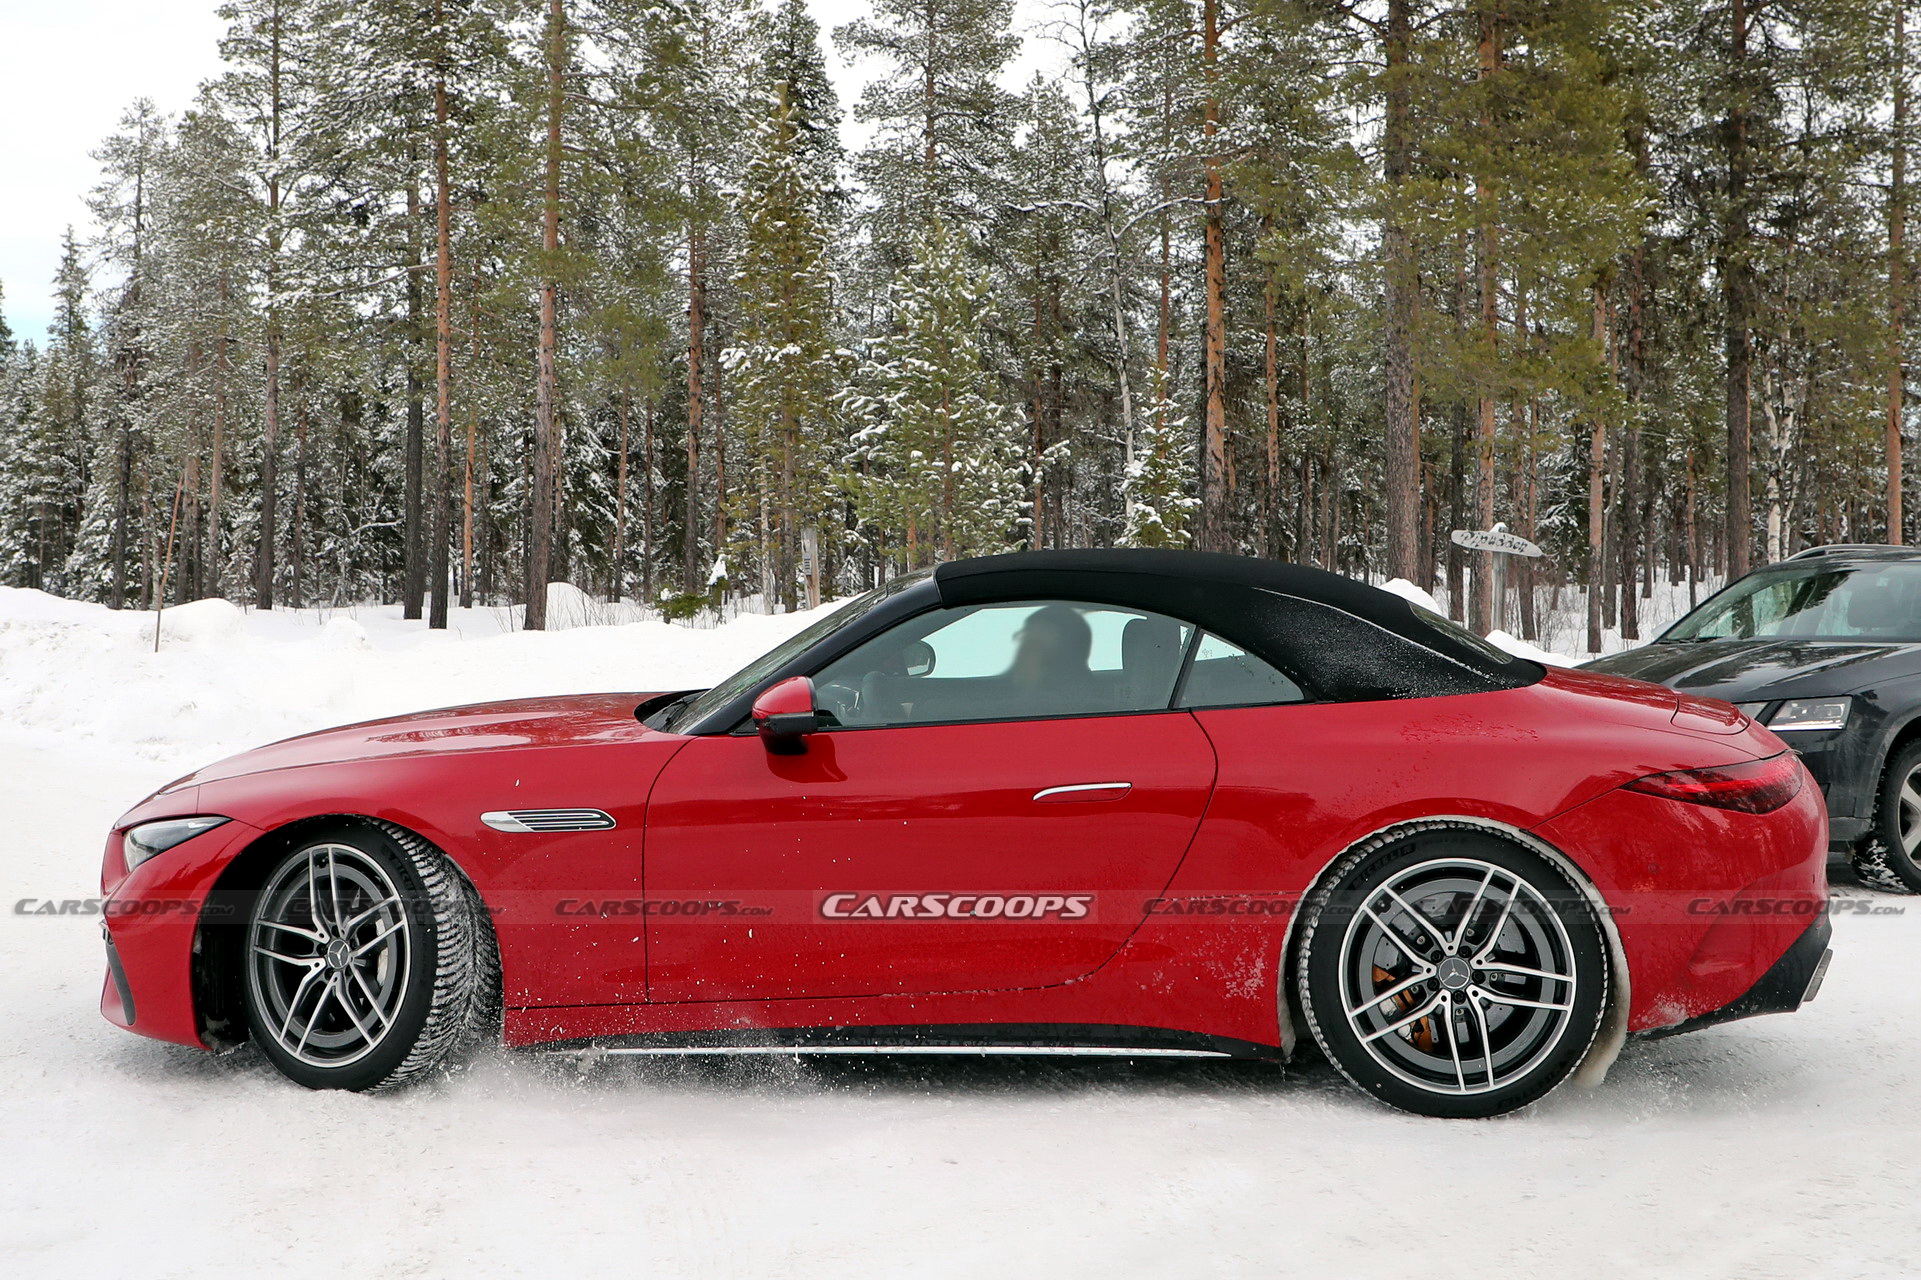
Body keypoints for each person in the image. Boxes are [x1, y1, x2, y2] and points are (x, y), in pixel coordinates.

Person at [1006, 605, 1095, 706]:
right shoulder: (998, 692)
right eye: (1025, 636)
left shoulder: (1075, 701)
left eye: (1035, 643)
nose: (1023, 649)